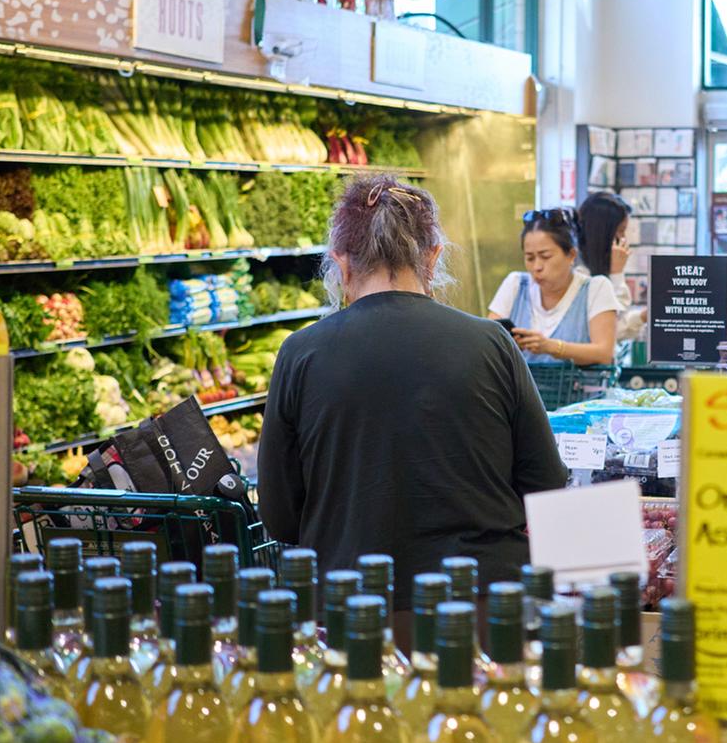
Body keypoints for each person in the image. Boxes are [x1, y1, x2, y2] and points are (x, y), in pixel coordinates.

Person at [258, 174, 569, 603]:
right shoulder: (492, 343)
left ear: (341, 264)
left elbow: (279, 517)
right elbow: (546, 482)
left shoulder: (300, 354)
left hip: (352, 611)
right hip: (484, 605)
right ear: (433, 258)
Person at [487, 208, 620, 366]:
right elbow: (487, 341)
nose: (537, 267)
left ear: (571, 255)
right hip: (518, 391)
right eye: (530, 258)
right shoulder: (515, 284)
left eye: (545, 256)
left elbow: (604, 353)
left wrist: (551, 347)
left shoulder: (596, 288)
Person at [576, 191, 646, 338]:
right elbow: (610, 330)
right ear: (603, 233)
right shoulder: (579, 273)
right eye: (620, 231)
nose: (624, 239)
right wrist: (617, 274)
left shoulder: (599, 266)